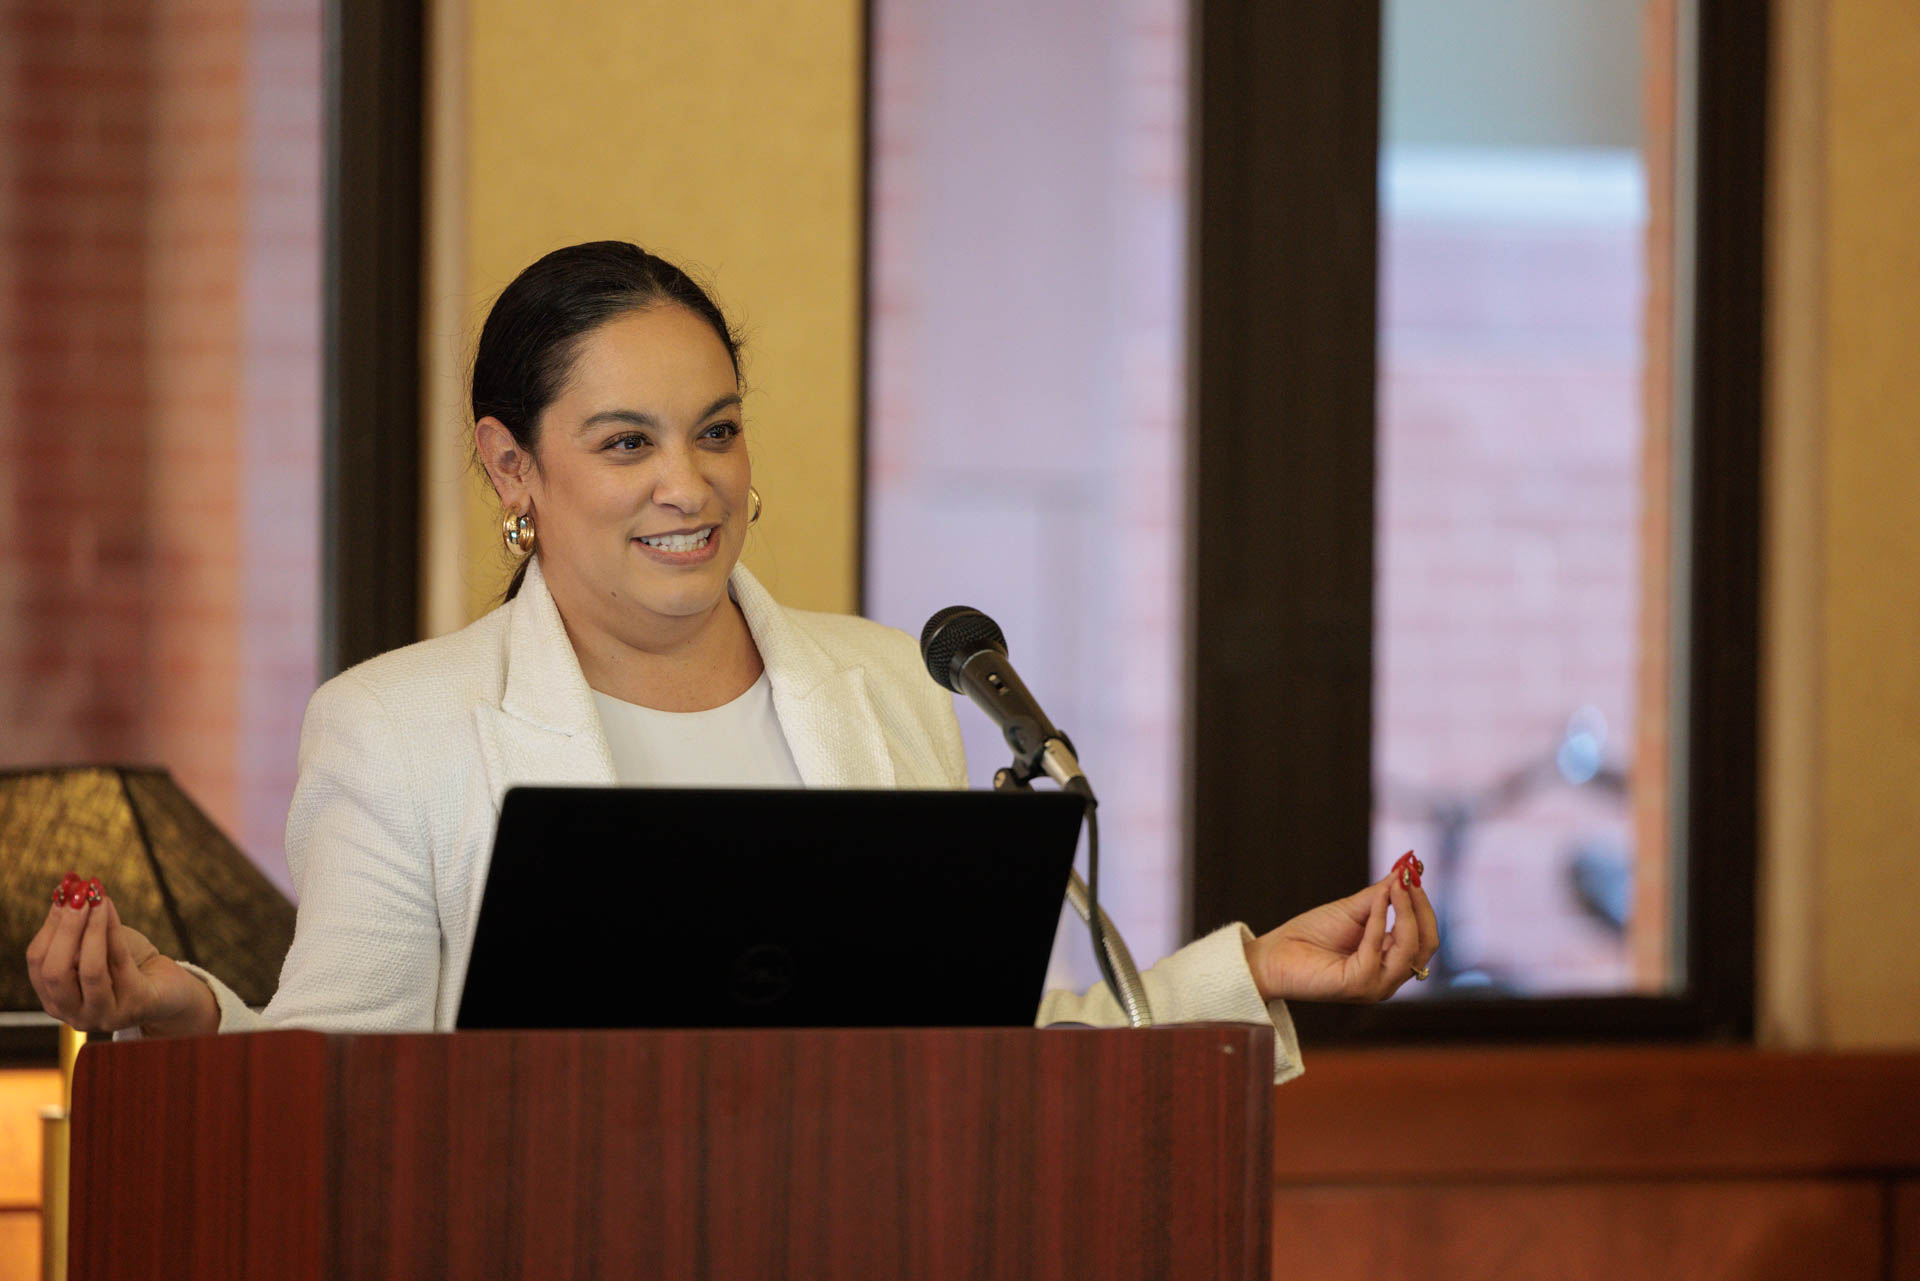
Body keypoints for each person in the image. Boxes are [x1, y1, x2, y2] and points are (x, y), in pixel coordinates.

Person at [25, 241, 1437, 1081]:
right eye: (626, 441)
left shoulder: (883, 681)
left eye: (716, 428)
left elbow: (976, 1045)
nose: (689, 484)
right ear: (511, 465)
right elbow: (346, 1080)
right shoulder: (398, 726)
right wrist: (191, 1007)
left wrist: (1249, 973)